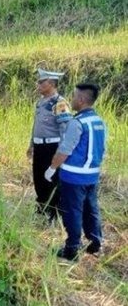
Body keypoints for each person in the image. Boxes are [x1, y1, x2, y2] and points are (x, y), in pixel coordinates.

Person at [45, 83, 106, 261]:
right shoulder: (99, 122)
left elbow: (64, 150)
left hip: (73, 176)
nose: (71, 100)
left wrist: (51, 169)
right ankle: (95, 243)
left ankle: (72, 249)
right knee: (91, 209)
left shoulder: (76, 122)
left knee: (72, 211)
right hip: (92, 175)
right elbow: (103, 149)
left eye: (74, 97)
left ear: (80, 100)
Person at [27, 68, 72, 222]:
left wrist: (59, 153)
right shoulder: (41, 102)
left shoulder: (60, 103)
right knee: (38, 178)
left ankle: (54, 214)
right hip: (40, 147)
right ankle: (42, 209)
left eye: (41, 82)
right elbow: (36, 125)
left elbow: (65, 130)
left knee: (52, 180)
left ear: (52, 83)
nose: (38, 84)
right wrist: (31, 144)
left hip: (52, 147)